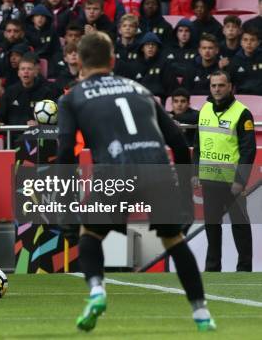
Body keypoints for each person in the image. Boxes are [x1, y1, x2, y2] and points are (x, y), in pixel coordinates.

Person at [56, 32, 215, 332]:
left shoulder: (72, 98)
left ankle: (97, 291)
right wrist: (181, 192)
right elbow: (179, 143)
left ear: (78, 62)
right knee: (174, 240)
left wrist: (66, 201)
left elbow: (65, 149)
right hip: (157, 169)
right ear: (113, 59)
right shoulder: (141, 89)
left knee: (89, 234)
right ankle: (201, 313)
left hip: (114, 172)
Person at [193, 70, 255, 272]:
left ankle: (244, 268)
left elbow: (248, 150)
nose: (217, 89)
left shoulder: (242, 112)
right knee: (212, 225)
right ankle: (212, 268)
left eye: (221, 85)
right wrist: (194, 172)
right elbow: (198, 144)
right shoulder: (205, 109)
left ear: (230, 87)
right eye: (213, 86)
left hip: (232, 181)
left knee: (240, 225)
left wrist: (240, 180)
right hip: (210, 179)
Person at [0, 53, 56, 130]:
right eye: (23, 69)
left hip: (37, 136)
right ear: (18, 73)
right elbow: (1, 115)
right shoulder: (10, 92)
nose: (26, 72)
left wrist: (39, 123)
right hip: (15, 137)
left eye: (29, 69)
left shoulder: (46, 92)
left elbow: (52, 118)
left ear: (35, 73)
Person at [131, 32, 178, 100]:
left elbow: (170, 88)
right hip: (139, 100)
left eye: (153, 45)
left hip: (160, 101)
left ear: (157, 48)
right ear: (142, 48)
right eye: (147, 44)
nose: (150, 47)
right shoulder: (135, 65)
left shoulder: (164, 64)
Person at [229, 26, 262, 94]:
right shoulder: (235, 61)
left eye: (252, 40)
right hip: (242, 98)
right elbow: (230, 84)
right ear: (241, 42)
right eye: (245, 40)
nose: (249, 43)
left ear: (258, 42)